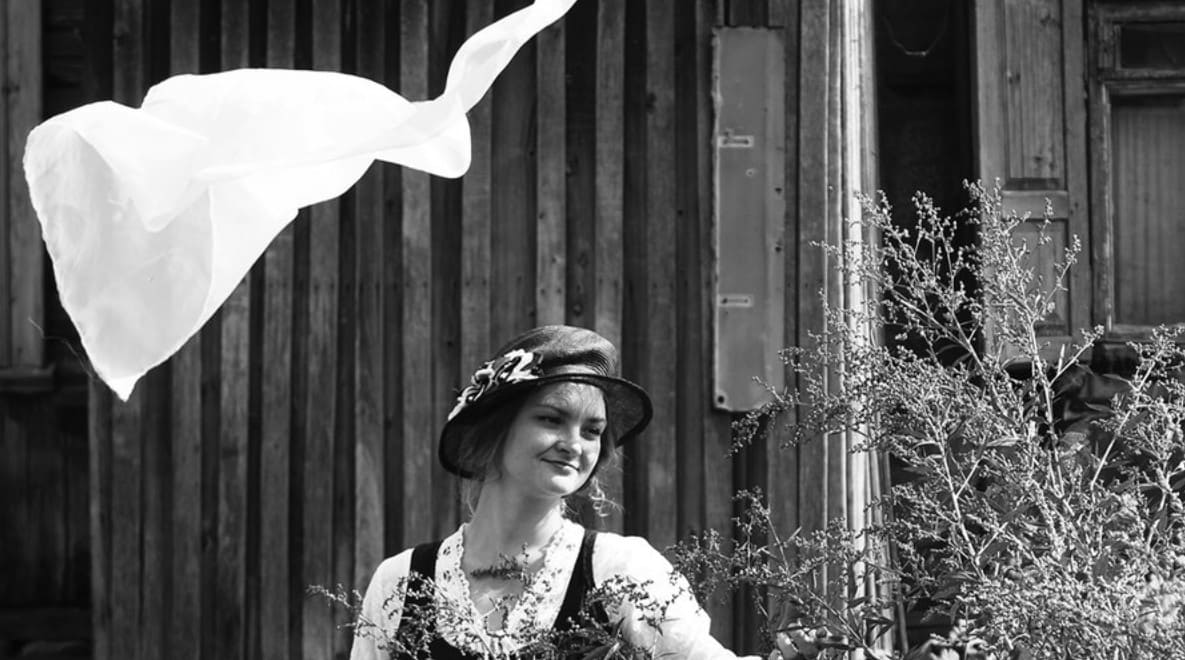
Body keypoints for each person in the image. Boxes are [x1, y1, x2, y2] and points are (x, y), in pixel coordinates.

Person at [350, 325, 779, 659]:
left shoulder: (620, 572)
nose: (575, 444)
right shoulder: (402, 582)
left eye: (592, 430)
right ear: (496, 427)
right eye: (552, 419)